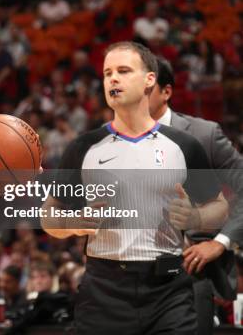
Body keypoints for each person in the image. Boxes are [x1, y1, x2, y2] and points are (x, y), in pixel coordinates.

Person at [41, 41, 223, 334]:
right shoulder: (82, 147)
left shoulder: (184, 145)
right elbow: (49, 216)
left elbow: (218, 206)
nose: (113, 79)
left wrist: (196, 219)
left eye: (123, 71)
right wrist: (72, 222)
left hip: (169, 289)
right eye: (107, 73)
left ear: (150, 79)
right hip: (104, 290)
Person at [149, 57, 243, 334]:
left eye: (146, 87)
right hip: (124, 286)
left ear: (166, 92)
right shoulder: (108, 143)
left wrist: (220, 242)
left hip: (187, 275)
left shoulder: (204, 134)